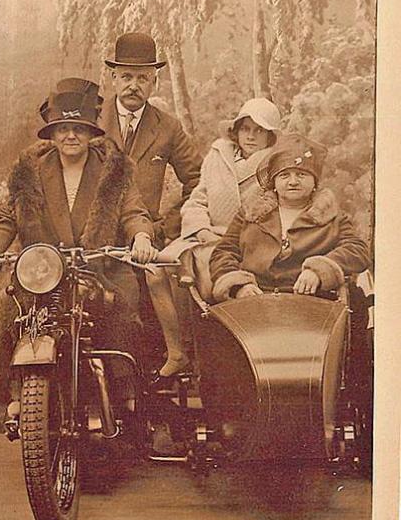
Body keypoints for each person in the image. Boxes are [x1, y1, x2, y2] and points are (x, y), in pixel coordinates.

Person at [0, 77, 158, 421]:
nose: (71, 136)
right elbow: (7, 216)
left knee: (121, 306)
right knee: (15, 308)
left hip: (100, 268)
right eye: (62, 128)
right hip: (44, 271)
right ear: (52, 134)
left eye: (79, 129)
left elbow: (134, 211)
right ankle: (22, 388)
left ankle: (122, 385)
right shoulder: (31, 172)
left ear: (90, 132)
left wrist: (141, 238)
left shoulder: (113, 170)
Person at [150, 97, 282, 384]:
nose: (250, 135)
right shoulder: (217, 155)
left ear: (270, 135)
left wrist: (222, 238)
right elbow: (197, 198)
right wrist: (200, 228)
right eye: (245, 128)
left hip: (243, 242)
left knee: (209, 278)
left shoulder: (276, 165)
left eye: (258, 130)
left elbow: (272, 212)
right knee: (155, 270)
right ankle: (177, 349)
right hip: (203, 235)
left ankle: (215, 361)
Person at [209, 136, 370, 302]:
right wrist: (239, 285)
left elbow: (357, 250)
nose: (293, 182)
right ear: (275, 182)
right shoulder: (250, 213)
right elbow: (223, 252)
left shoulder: (331, 216)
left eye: (301, 174)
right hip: (254, 299)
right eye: (284, 175)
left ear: (314, 181)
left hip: (311, 302)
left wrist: (319, 270)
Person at [99, 31, 202, 247]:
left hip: (146, 244)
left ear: (154, 82)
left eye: (142, 78)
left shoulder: (168, 127)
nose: (134, 86)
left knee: (160, 282)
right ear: (113, 79)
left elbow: (199, 181)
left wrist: (166, 227)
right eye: (127, 77)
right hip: (93, 240)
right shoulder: (92, 121)